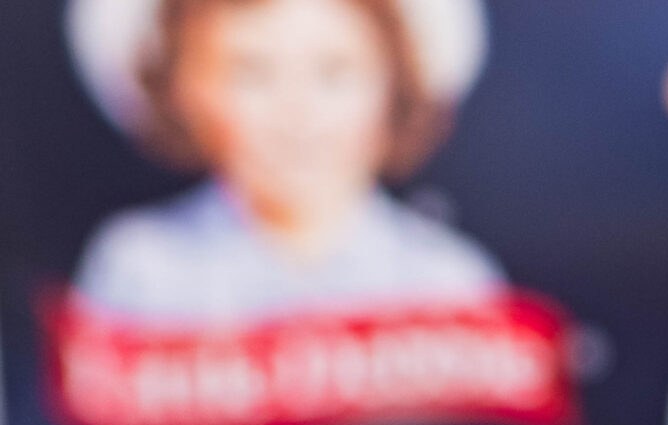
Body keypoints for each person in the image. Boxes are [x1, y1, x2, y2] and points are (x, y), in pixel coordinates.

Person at [70, 0, 501, 323]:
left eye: (334, 72)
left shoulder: (445, 280)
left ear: (394, 89)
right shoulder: (142, 269)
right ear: (184, 94)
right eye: (252, 73)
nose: (297, 111)